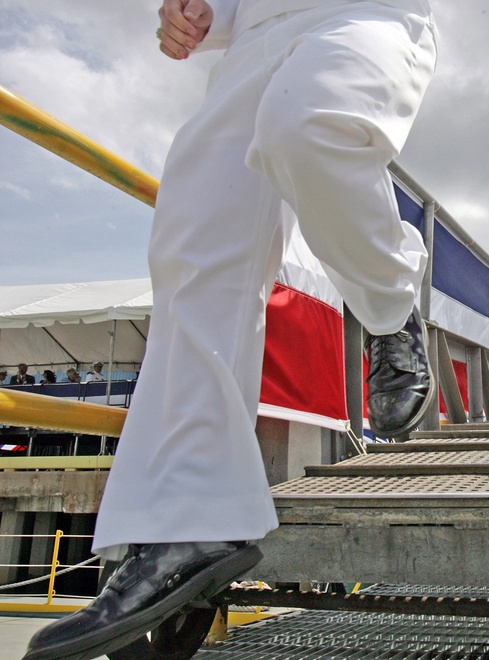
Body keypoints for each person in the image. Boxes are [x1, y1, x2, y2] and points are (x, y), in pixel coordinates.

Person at [24, 1, 438, 659]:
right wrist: (202, 14)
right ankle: (187, 522)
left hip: (358, 15)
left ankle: (391, 311)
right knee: (194, 243)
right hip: (253, 35)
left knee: (308, 128)